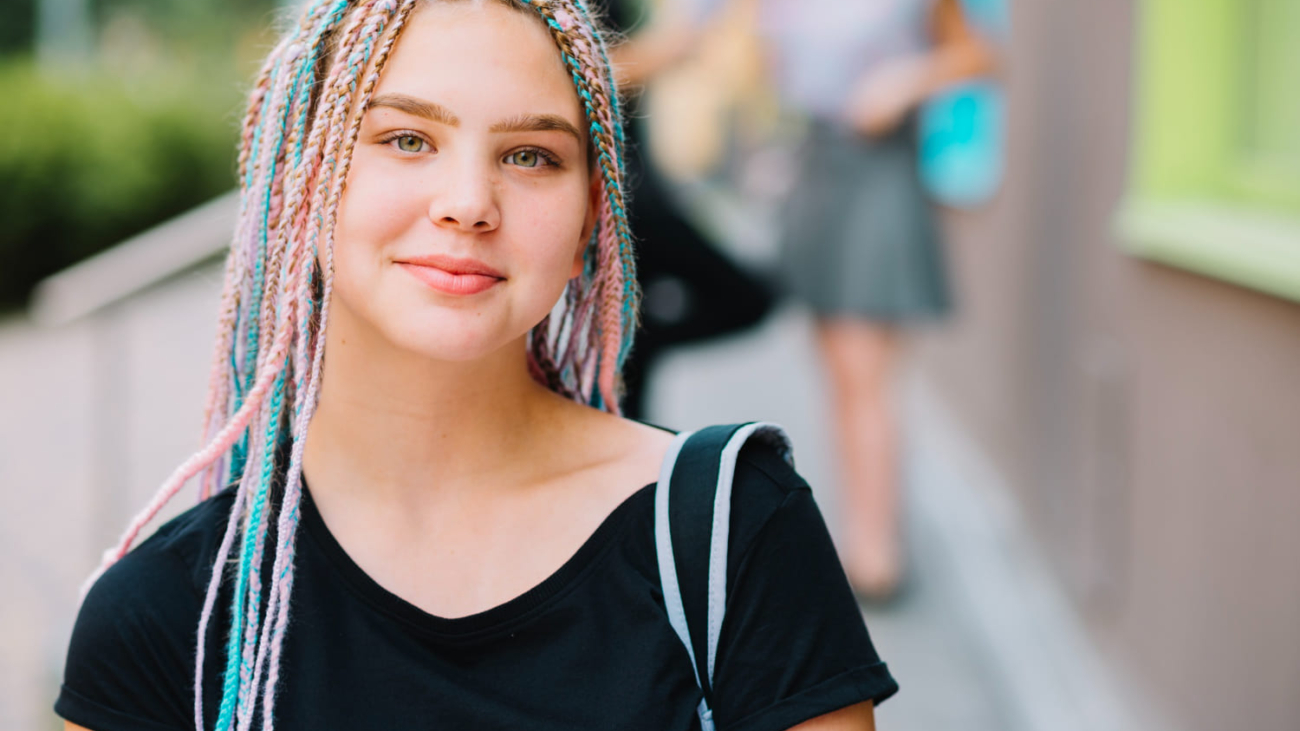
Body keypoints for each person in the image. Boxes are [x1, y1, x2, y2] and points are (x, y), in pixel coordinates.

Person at [54, 1, 896, 730]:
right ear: (300, 184)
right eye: (406, 137)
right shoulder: (170, 612)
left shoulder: (734, 533)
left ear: (587, 226)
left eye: (531, 155)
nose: (468, 202)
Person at [759, 0, 996, 599]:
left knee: (866, 372)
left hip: (880, 167)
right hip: (817, 163)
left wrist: (905, 80)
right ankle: (860, 535)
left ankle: (876, 550)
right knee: (839, 373)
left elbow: (979, 53)